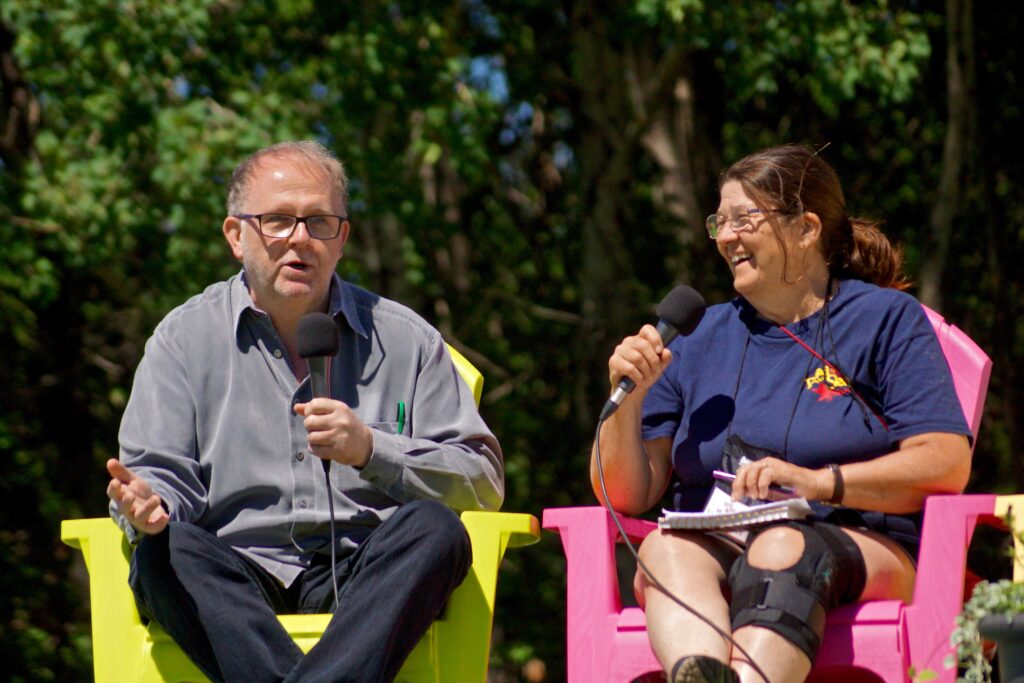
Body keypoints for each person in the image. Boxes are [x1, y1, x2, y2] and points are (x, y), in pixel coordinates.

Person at [105, 140, 504, 683]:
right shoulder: (183, 339)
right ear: (235, 236)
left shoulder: (406, 341)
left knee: (436, 531)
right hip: (234, 578)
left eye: (319, 222)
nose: (299, 239)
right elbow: (160, 479)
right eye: (277, 221)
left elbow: (481, 482)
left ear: (342, 239)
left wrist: (372, 450)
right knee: (164, 551)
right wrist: (148, 505)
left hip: (363, 581)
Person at [592, 144, 972, 683]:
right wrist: (626, 399)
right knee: (662, 546)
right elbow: (627, 494)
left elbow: (945, 462)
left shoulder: (884, 320)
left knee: (782, 545)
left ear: (806, 228)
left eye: (743, 219)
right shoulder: (695, 339)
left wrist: (818, 484)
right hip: (718, 542)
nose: (726, 237)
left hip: (861, 544)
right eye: (718, 222)